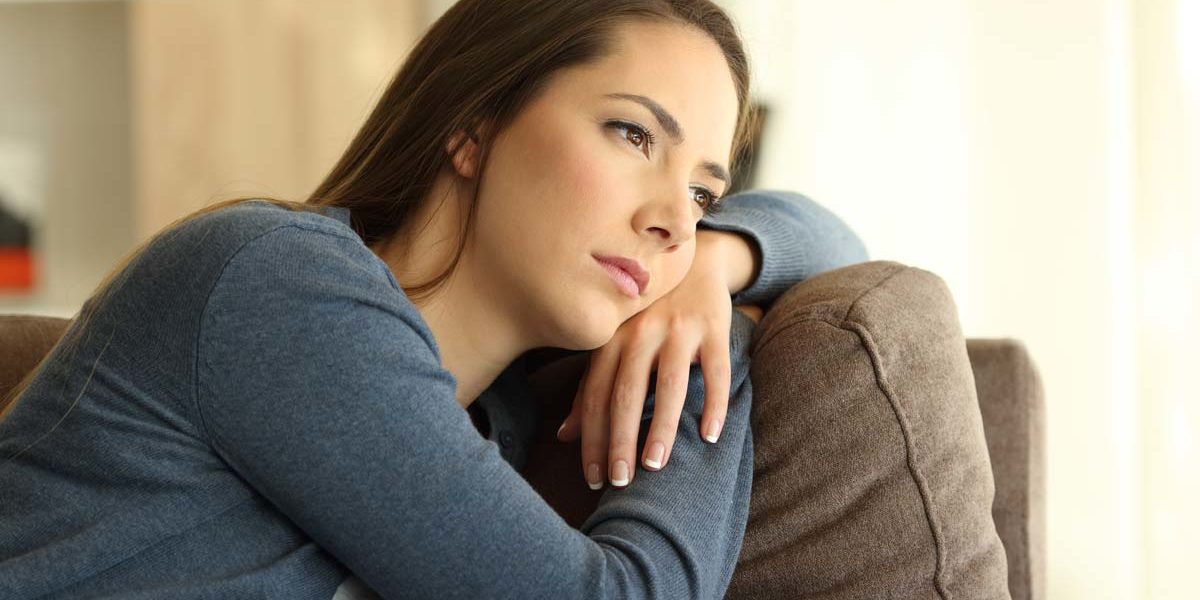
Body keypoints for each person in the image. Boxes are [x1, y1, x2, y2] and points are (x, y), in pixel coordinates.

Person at [0, 1, 868, 598]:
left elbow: (844, 257)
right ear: (474, 123)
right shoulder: (283, 285)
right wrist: (720, 358)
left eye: (705, 194)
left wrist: (721, 265)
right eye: (632, 133)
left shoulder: (494, 419)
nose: (670, 220)